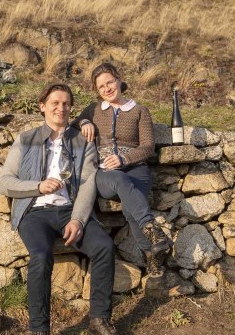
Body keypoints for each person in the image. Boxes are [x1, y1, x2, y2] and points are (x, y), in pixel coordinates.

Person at [0, 83, 130, 335]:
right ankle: (40, 334)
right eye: (55, 103)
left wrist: (78, 220)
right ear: (42, 106)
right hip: (35, 212)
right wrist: (37, 186)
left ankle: (99, 322)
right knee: (41, 256)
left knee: (104, 247)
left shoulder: (83, 142)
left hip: (70, 211)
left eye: (66, 103)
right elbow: (5, 182)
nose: (61, 108)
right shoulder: (26, 139)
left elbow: (88, 183)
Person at [73, 63, 173, 285]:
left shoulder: (140, 111)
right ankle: (154, 231)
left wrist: (124, 159)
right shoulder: (93, 109)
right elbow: (72, 125)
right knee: (119, 179)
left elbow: (148, 147)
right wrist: (85, 121)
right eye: (101, 87)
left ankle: (151, 256)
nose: (107, 89)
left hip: (137, 170)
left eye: (109, 82)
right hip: (106, 174)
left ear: (119, 80)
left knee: (130, 208)